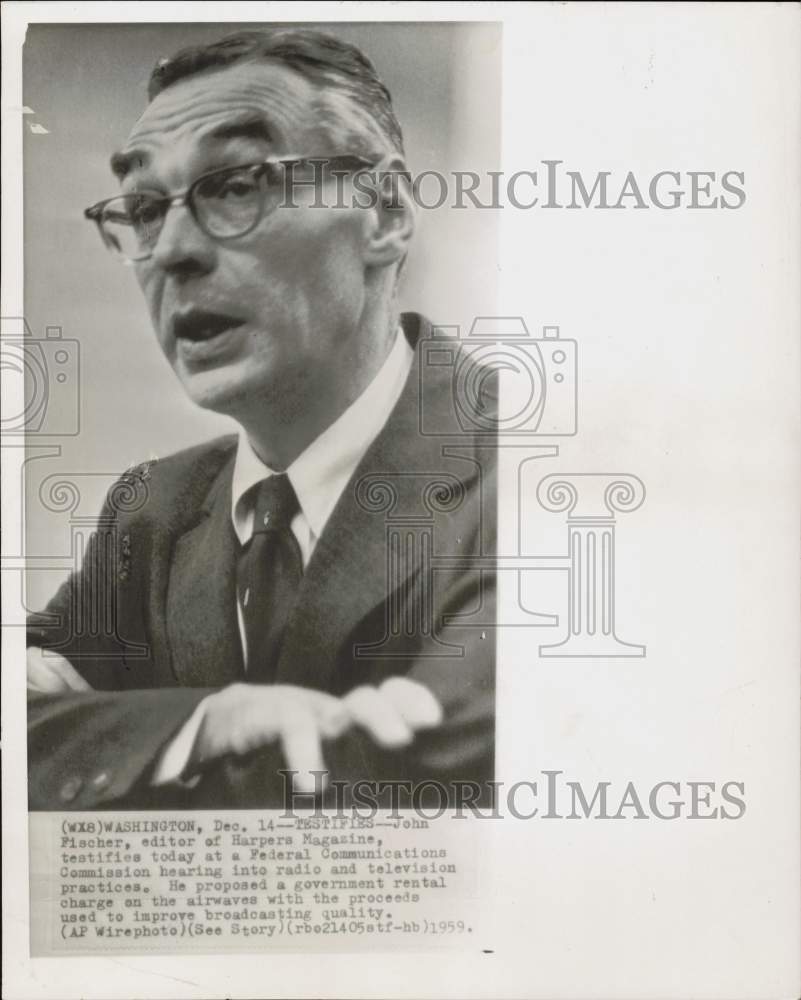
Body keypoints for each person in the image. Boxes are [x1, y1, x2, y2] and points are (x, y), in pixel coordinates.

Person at [26, 28, 496, 810]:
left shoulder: (530, 474)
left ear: (381, 215)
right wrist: (205, 725)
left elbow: (402, 774)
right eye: (143, 208)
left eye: (237, 186)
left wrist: (117, 735)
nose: (170, 250)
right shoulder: (152, 510)